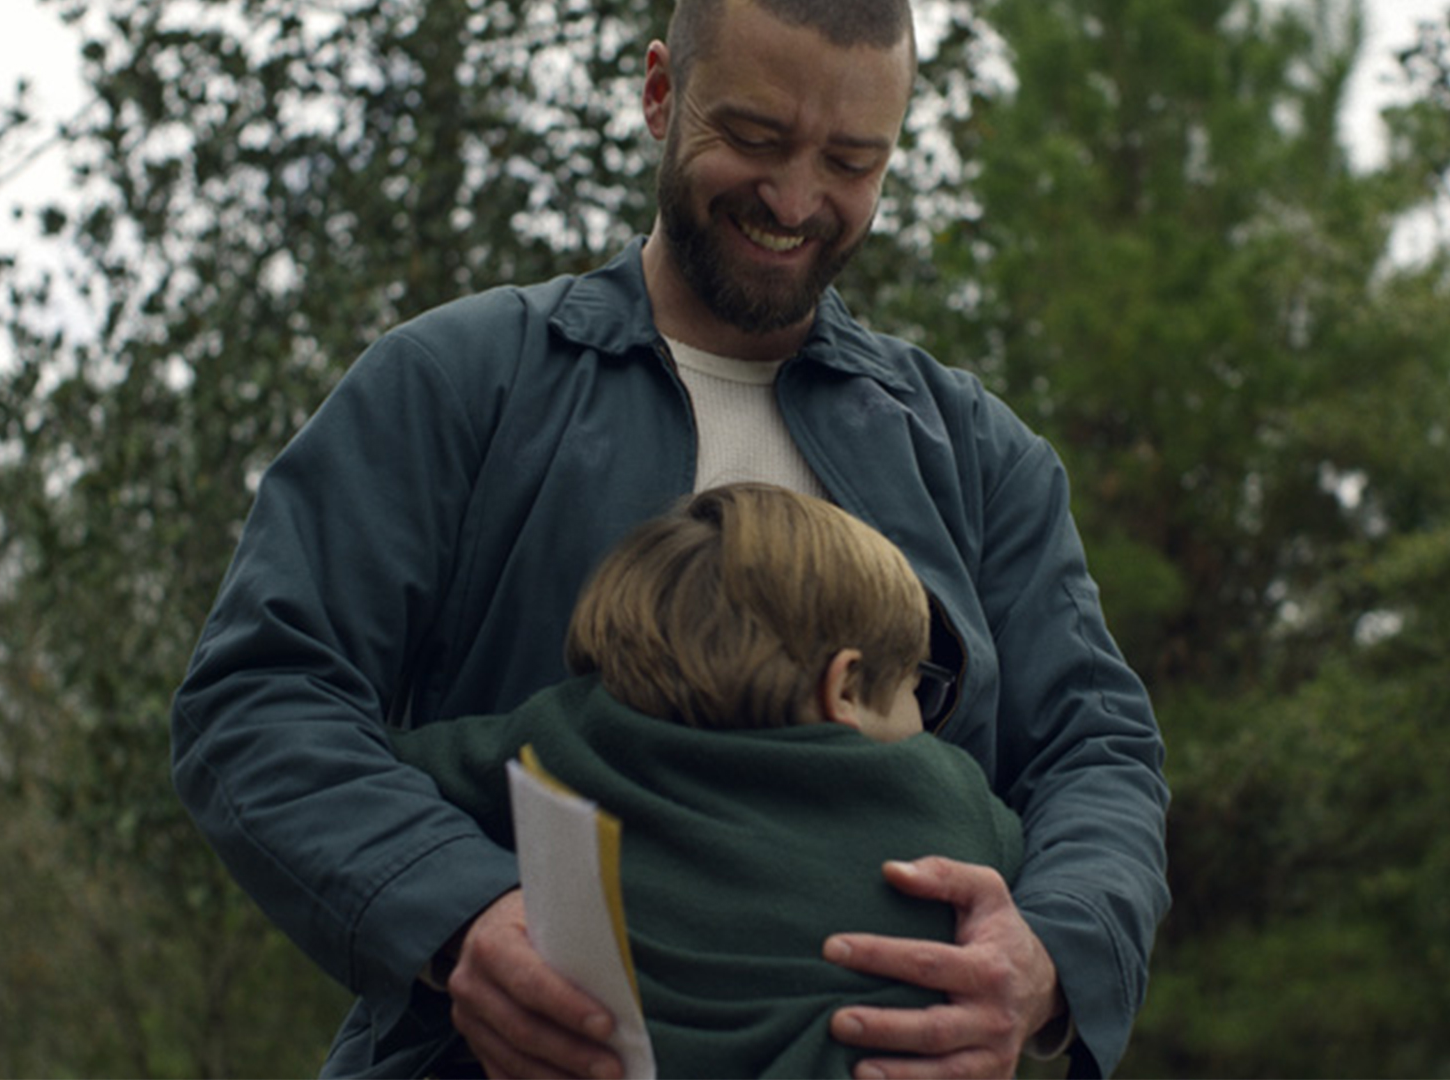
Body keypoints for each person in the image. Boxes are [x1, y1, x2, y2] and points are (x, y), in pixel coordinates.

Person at [169, 0, 1171, 1076]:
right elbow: (262, 696)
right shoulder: (455, 384)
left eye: (850, 160)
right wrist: (456, 917)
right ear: (660, 94)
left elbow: (1096, 752)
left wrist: (1049, 956)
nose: (795, 199)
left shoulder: (979, 457)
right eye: (752, 139)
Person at [390, 483, 1026, 1078]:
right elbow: (1032, 873)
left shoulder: (566, 736)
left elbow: (390, 773)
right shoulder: (942, 792)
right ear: (846, 687)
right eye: (919, 688)